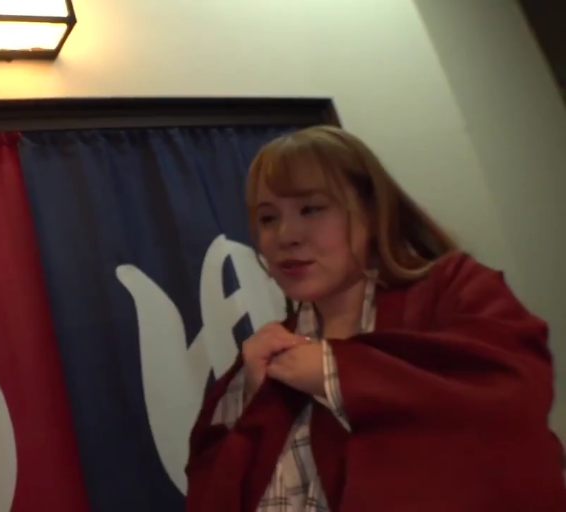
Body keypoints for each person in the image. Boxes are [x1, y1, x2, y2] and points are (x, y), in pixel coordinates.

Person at [184, 125, 566, 511]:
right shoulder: (267, 354)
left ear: (371, 209)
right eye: (268, 218)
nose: (286, 235)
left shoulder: (453, 289)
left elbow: (512, 396)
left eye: (311, 209)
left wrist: (336, 373)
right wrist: (252, 406)